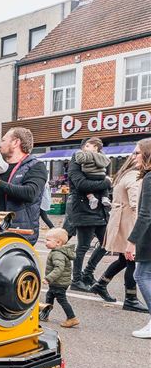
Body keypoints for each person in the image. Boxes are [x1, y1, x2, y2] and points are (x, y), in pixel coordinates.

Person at [89, 150, 147, 312]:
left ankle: (101, 284)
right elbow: (136, 206)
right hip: (128, 223)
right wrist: (136, 235)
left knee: (124, 260)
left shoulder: (126, 174)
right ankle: (131, 299)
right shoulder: (136, 177)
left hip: (121, 222)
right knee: (132, 261)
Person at [67, 138, 112, 291]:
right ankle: (76, 280)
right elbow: (81, 184)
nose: (88, 148)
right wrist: (105, 183)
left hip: (101, 211)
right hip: (84, 209)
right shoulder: (77, 159)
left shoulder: (101, 159)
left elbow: (104, 176)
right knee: (83, 246)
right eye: (86, 146)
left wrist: (105, 185)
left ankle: (87, 273)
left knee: (106, 244)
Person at [127, 138, 151, 339]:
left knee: (141, 275)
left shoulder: (149, 179)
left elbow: (145, 215)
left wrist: (131, 241)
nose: (133, 156)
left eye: (137, 153)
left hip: (149, 238)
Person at [40, 228, 79, 328]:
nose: (46, 242)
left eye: (48, 240)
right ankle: (44, 314)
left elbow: (59, 268)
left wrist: (48, 278)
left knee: (61, 299)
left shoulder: (57, 254)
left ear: (58, 242)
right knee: (49, 296)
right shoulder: (56, 251)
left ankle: (72, 318)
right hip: (57, 282)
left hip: (59, 282)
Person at [73, 138, 111, 210]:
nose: (85, 148)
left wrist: (79, 152)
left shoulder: (88, 154)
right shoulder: (102, 155)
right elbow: (107, 162)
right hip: (101, 175)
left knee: (86, 185)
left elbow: (80, 160)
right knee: (104, 186)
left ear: (95, 147)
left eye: (87, 146)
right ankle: (105, 197)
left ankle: (91, 197)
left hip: (90, 174)